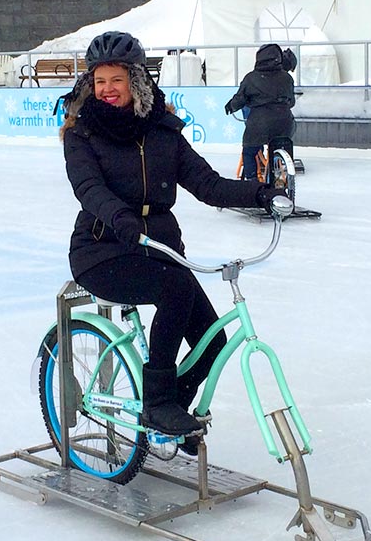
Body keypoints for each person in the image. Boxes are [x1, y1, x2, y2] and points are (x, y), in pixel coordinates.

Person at [59, 31, 288, 448]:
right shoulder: (82, 133)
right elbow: (88, 188)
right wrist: (120, 217)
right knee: (175, 289)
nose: (107, 90)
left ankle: (171, 411)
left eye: (116, 80)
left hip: (160, 248)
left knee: (211, 342)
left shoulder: (162, 131)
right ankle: (158, 402)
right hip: (102, 250)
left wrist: (260, 192)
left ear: (136, 81)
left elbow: (208, 184)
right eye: (99, 81)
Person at [224, 43, 297, 181]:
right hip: (284, 124)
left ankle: (253, 183)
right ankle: (279, 178)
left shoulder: (251, 78)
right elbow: (291, 102)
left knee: (249, 151)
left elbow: (240, 99)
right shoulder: (287, 78)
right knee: (280, 143)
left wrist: (230, 107)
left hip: (259, 125)